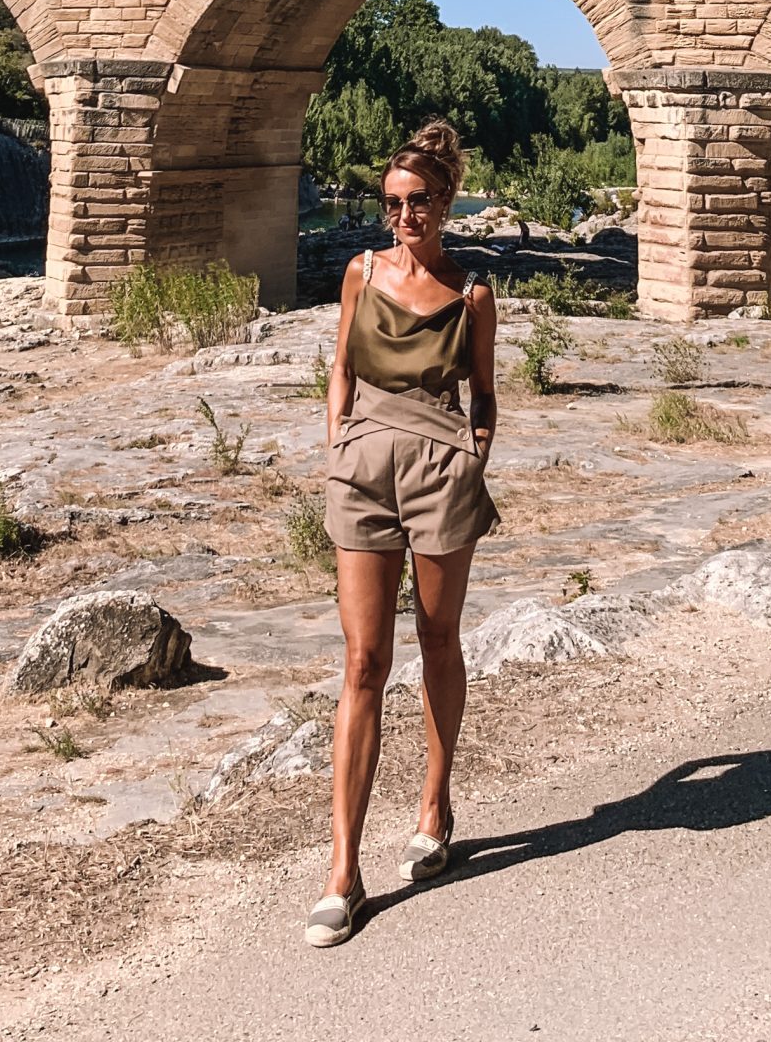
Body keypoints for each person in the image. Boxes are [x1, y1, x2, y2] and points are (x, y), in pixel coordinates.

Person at [306, 119, 498, 948]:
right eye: (392, 204)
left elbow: (485, 396)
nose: (404, 217)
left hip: (440, 470)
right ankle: (343, 872)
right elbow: (341, 368)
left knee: (440, 636)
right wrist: (337, 445)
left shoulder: (472, 293)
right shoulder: (360, 272)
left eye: (418, 201)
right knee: (361, 662)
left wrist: (472, 458)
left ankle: (434, 802)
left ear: (446, 201)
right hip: (362, 471)